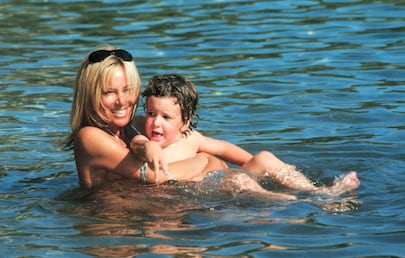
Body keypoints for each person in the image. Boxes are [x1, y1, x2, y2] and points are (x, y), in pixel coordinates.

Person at [130, 74, 360, 196]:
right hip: (206, 191)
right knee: (239, 180)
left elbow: (223, 149)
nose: (156, 123)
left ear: (185, 122)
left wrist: (253, 165)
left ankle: (317, 192)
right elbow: (132, 137)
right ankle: (290, 202)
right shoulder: (142, 133)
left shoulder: (190, 138)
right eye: (151, 113)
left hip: (224, 179)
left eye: (166, 117)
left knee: (265, 157)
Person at [65, 46, 227, 189]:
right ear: (89, 96)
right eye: (109, 92)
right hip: (108, 222)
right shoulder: (89, 137)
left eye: (127, 89)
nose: (121, 101)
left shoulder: (132, 128)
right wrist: (207, 161)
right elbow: (156, 176)